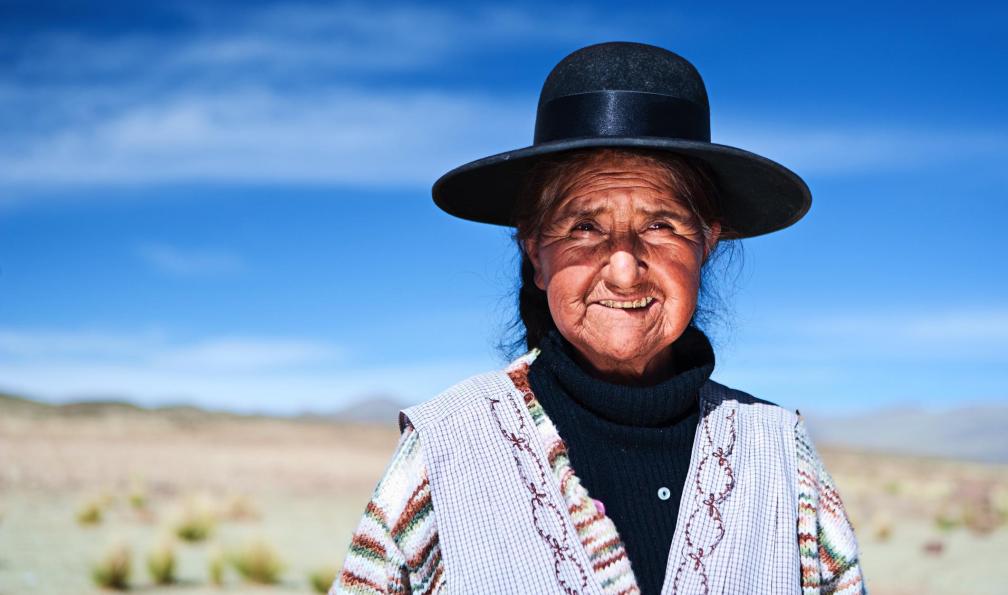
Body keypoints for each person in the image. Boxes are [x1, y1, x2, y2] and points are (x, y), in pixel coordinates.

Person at [332, 42, 865, 595]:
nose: (624, 271)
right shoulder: (448, 448)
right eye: (584, 227)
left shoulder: (777, 453)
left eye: (661, 225)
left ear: (707, 244)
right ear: (536, 252)